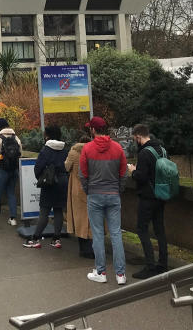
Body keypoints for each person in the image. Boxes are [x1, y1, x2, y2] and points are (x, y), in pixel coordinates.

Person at [79, 116, 128, 285]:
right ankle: (120, 275)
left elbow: (83, 175)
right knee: (116, 234)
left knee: (98, 234)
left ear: (93, 130)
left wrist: (89, 191)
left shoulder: (87, 149)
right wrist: (118, 190)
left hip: (94, 195)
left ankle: (101, 272)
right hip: (113, 194)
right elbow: (123, 174)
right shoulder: (118, 148)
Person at [127, 123, 169, 278]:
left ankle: (150, 266)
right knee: (160, 230)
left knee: (142, 229)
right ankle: (163, 264)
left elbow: (142, 177)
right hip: (162, 195)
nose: (134, 141)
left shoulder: (145, 153)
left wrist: (133, 171)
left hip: (148, 197)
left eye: (134, 139)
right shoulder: (162, 150)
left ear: (138, 136)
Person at [24, 125, 69, 248]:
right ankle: (56, 239)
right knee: (58, 210)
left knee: (44, 211)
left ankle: (36, 238)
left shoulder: (46, 150)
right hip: (63, 181)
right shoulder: (65, 149)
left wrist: (41, 178)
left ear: (47, 136)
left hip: (50, 182)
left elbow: (38, 168)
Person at [65, 133, 95, 258]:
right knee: (90, 218)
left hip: (77, 188)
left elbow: (67, 167)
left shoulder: (73, 152)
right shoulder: (93, 151)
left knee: (79, 218)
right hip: (91, 187)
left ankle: (83, 249)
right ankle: (91, 248)